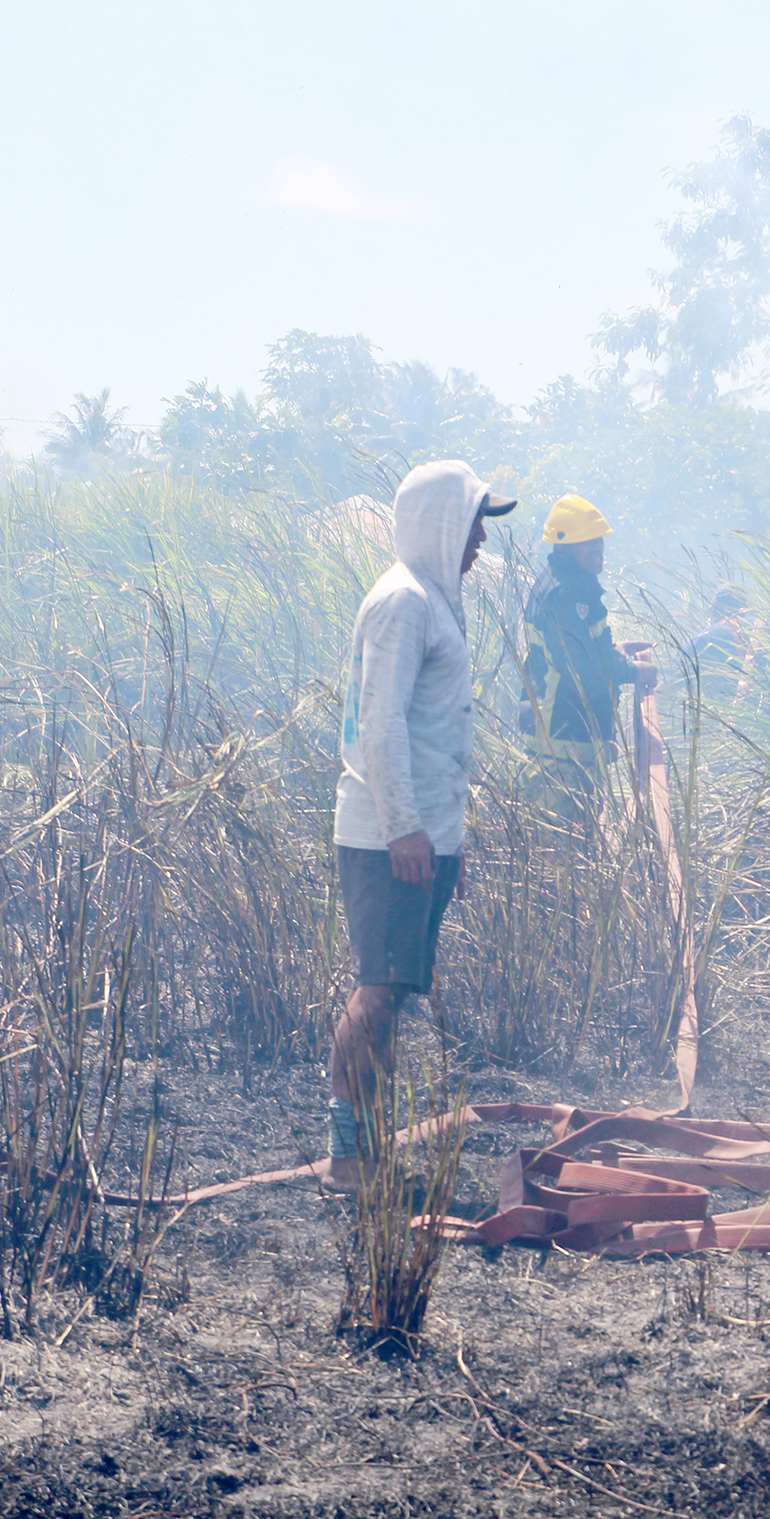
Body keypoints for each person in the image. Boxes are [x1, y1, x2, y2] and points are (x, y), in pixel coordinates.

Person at [325, 460, 515, 1191]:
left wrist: (447, 842)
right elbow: (381, 725)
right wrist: (406, 828)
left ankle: (366, 1149)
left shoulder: (430, 601)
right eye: (473, 524)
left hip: (415, 839)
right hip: (385, 837)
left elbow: (437, 737)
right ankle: (349, 1157)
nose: (480, 543)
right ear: (441, 523)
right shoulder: (404, 603)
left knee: (393, 991)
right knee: (376, 992)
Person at [517, 494, 659, 826]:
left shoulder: (575, 586)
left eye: (598, 540)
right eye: (587, 542)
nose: (598, 548)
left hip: (569, 738)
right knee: (561, 844)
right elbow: (582, 664)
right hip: (562, 740)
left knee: (579, 835)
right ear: (564, 547)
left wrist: (617, 655)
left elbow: (594, 647)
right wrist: (633, 670)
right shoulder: (564, 595)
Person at [686, 582, 759, 702]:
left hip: (726, 712)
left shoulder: (705, 637)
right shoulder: (764, 627)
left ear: (714, 608)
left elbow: (675, 676)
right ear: (744, 607)